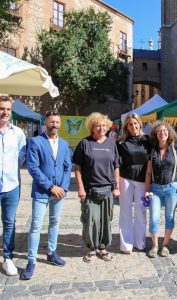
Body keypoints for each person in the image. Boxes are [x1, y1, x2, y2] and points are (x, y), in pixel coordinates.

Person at [22, 111, 72, 280]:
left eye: (57, 122)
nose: (54, 125)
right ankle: (31, 260)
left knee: (55, 222)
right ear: (46, 123)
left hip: (60, 192)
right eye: (51, 122)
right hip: (42, 191)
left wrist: (63, 188)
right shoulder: (35, 142)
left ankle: (51, 252)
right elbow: (33, 168)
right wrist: (51, 187)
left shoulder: (64, 144)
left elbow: (67, 167)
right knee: (36, 225)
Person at [73, 113, 120, 262]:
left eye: (104, 126)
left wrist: (116, 186)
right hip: (90, 190)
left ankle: (103, 248)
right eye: (98, 125)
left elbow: (116, 166)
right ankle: (92, 248)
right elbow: (78, 167)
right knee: (91, 220)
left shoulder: (111, 144)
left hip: (107, 189)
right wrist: (80, 188)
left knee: (106, 220)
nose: (101, 128)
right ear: (92, 127)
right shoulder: (84, 143)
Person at [144, 121, 177, 258]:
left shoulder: (176, 148)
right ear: (155, 134)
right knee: (154, 218)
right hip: (155, 189)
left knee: (169, 217)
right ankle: (155, 245)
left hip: (172, 187)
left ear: (169, 132)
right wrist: (147, 190)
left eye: (165, 130)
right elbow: (148, 173)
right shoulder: (152, 150)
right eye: (159, 131)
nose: (162, 133)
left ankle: (165, 245)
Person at [117, 113, 151, 254]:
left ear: (140, 124)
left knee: (140, 211)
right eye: (130, 124)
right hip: (125, 178)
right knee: (125, 211)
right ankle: (126, 244)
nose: (133, 126)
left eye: (135, 123)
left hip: (143, 180)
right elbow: (117, 164)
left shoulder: (148, 141)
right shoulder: (121, 142)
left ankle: (140, 242)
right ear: (127, 126)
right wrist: (116, 183)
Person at [0, 95, 26, 276]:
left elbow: (22, 156)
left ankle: (8, 258)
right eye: (2, 108)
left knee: (9, 222)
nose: (5, 112)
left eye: (8, 109)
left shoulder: (18, 133)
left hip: (11, 185)